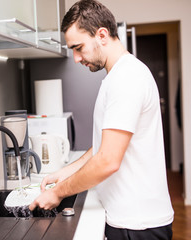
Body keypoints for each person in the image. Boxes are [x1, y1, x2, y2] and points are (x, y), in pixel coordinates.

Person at [28, 0, 174, 239]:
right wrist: (64, 172)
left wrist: (58, 193)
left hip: (137, 225)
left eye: (78, 47)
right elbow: (104, 147)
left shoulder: (126, 78)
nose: (76, 58)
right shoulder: (119, 76)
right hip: (131, 219)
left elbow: (107, 160)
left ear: (102, 35)